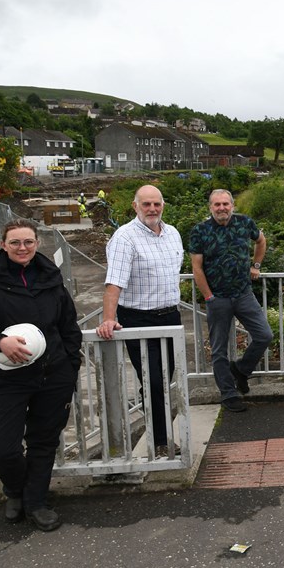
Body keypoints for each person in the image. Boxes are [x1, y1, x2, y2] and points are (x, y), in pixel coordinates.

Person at [0, 219, 81, 531]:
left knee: (43, 442)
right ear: (4, 244)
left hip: (53, 374)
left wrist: (70, 365)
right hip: (8, 377)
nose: (22, 248)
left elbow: (68, 323)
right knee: (2, 447)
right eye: (15, 242)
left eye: (28, 242)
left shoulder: (51, 277)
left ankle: (36, 503)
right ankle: (15, 490)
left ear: (36, 243)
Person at [96, 185, 184, 455]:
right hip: (138, 319)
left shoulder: (173, 234)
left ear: (163, 205)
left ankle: (161, 433)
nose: (152, 209)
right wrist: (109, 319)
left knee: (164, 379)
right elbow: (114, 283)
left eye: (156, 204)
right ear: (135, 206)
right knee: (153, 381)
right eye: (146, 204)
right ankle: (160, 442)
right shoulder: (125, 237)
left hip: (170, 317)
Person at [190, 189, 273, 413]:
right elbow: (196, 268)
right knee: (219, 349)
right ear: (210, 207)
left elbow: (261, 241)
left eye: (225, 204)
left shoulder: (244, 223)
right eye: (217, 205)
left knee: (264, 335)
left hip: (244, 294)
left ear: (232, 206)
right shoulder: (200, 231)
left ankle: (241, 370)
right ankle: (228, 393)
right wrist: (209, 297)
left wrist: (255, 266)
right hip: (218, 298)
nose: (222, 208)